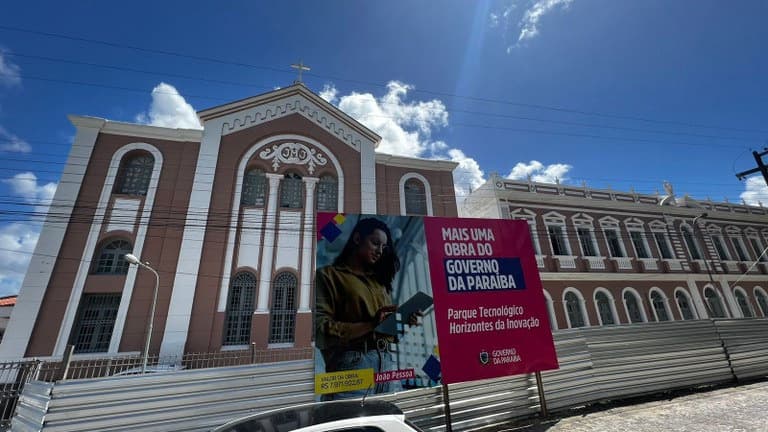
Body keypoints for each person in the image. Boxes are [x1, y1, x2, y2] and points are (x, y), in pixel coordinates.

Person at [315, 217, 413, 399]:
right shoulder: (328, 276)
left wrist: (401, 322)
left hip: (387, 367)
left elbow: (386, 334)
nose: (380, 251)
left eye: (383, 247)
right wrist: (371, 324)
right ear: (357, 239)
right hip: (351, 368)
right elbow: (320, 331)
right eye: (375, 243)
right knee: (352, 418)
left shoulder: (380, 285)